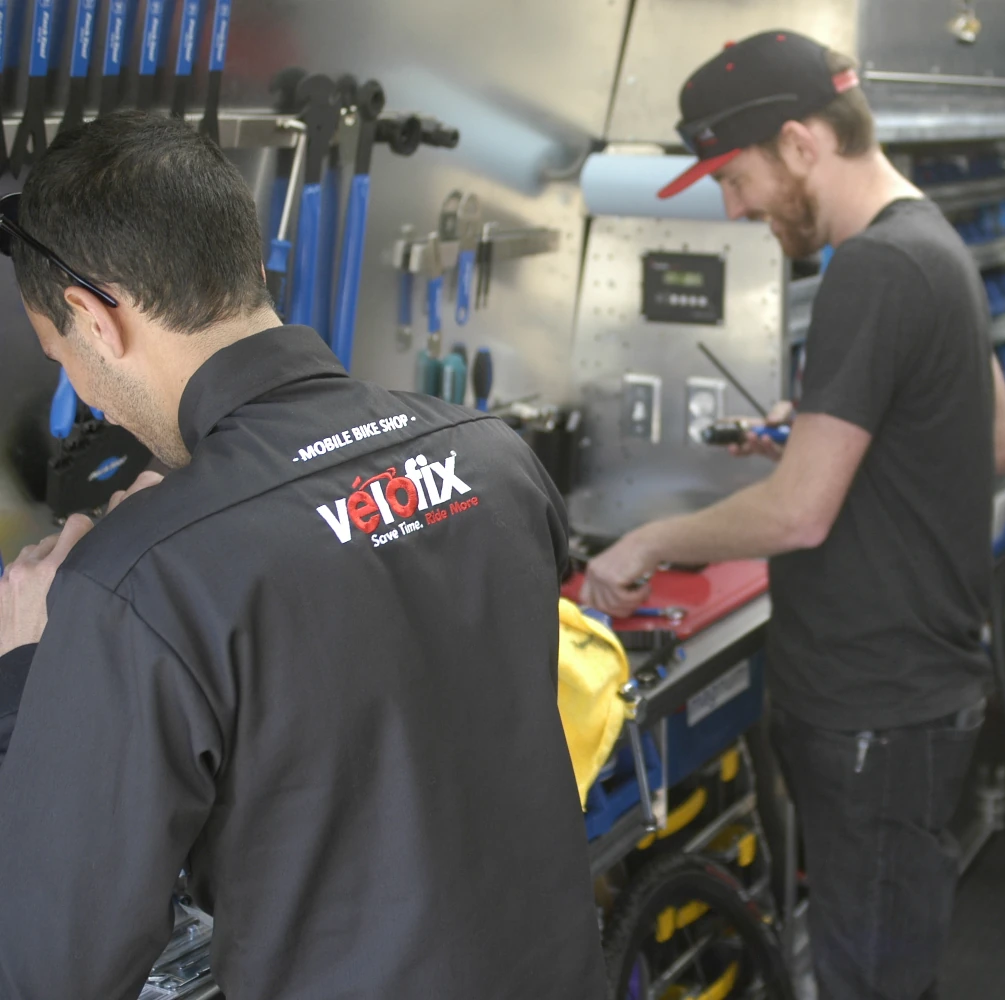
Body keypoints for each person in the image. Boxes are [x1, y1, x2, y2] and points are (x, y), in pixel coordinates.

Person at [0, 112, 606, 999]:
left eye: (64, 358)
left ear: (95, 318)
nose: (83, 394)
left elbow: (50, 967)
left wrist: (28, 676)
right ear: (246, 265)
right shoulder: (491, 454)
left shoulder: (143, 578)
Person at [581, 30, 1005, 1000]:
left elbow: (799, 514)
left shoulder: (870, 268)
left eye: (735, 179)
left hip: (873, 706)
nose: (735, 207)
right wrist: (834, 419)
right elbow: (994, 440)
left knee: (868, 979)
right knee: (891, 958)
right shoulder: (931, 239)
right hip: (923, 696)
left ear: (798, 142)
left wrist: (647, 541)